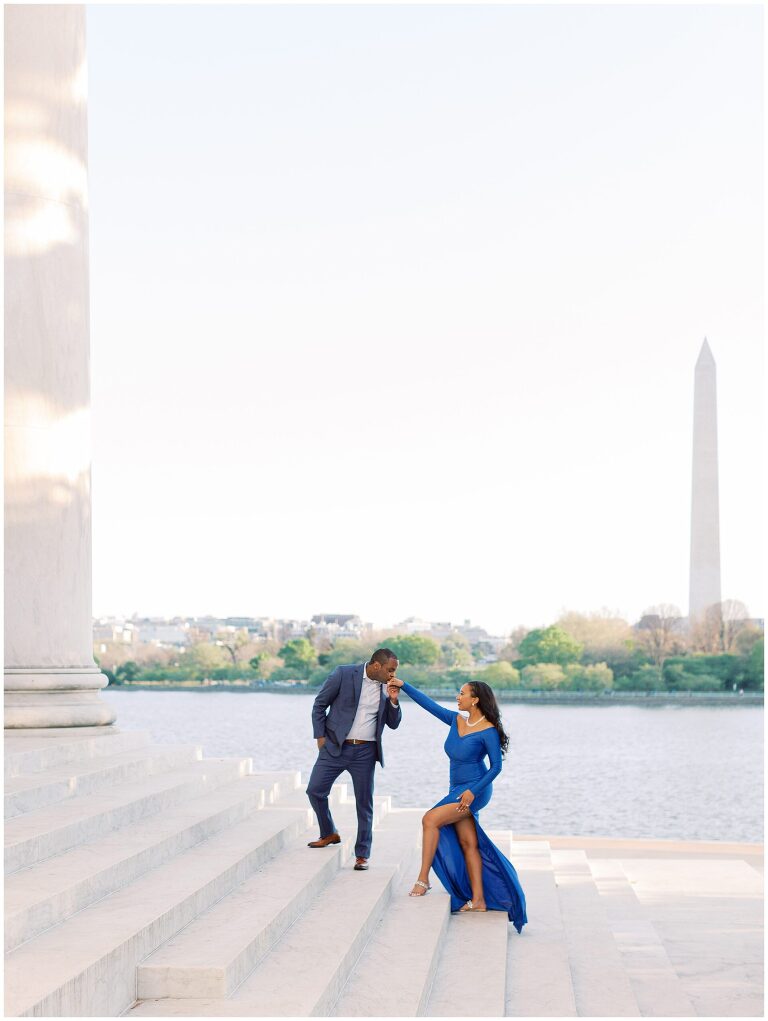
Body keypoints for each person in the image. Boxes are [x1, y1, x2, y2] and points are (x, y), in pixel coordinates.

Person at [389, 677, 527, 932]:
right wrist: (404, 685)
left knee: (430, 819)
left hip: (476, 788)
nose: (457, 696)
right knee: (468, 843)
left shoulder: (488, 730)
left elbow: (496, 767)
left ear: (474, 700)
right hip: (455, 789)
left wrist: (473, 792)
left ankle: (423, 879)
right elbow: (428, 705)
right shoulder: (456, 720)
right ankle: (479, 900)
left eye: (462, 693)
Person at [306, 648, 402, 871]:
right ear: (376, 666)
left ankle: (362, 855)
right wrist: (320, 738)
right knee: (315, 790)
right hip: (335, 746)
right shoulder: (343, 674)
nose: (393, 675)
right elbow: (319, 704)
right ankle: (329, 832)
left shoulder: (387, 688)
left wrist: (394, 701)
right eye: (390, 670)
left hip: (366, 753)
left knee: (364, 804)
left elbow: (393, 723)